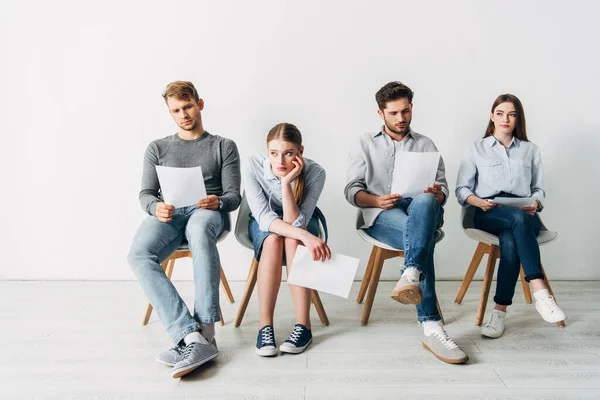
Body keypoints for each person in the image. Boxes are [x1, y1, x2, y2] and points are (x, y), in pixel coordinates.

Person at [345, 81, 469, 364]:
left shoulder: (426, 144)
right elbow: (351, 190)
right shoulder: (364, 143)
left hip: (423, 209)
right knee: (421, 240)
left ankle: (411, 274)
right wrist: (376, 201)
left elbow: (444, 191)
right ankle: (432, 327)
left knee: (424, 204)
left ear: (412, 108)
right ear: (381, 114)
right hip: (383, 215)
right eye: (394, 113)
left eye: (406, 111)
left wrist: (437, 194)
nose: (401, 119)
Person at [127, 81, 241, 378]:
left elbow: (233, 196)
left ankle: (207, 330)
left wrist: (218, 201)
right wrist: (155, 207)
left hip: (207, 211)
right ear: (170, 112)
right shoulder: (158, 148)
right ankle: (190, 337)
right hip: (171, 212)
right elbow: (146, 194)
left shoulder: (223, 146)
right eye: (176, 110)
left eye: (188, 106)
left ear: (199, 104)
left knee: (201, 231)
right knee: (139, 255)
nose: (184, 114)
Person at [455, 93, 566, 338]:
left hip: (523, 214)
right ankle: (539, 290)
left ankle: (499, 312)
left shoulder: (530, 150)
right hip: (488, 213)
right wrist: (478, 201)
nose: (506, 119)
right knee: (516, 221)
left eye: (512, 114)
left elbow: (539, 189)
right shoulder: (476, 148)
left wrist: (536, 202)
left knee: (510, 238)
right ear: (492, 117)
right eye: (501, 113)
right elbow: (462, 189)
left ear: (518, 119)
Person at [244, 122, 331, 357]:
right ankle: (265, 327)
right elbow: (264, 219)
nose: (280, 161)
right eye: (273, 153)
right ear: (267, 151)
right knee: (273, 240)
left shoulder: (315, 172)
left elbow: (296, 222)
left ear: (300, 152)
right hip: (267, 223)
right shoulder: (252, 166)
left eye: (288, 153)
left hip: (300, 220)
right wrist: (305, 235)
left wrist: (285, 183)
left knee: (292, 240)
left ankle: (304, 326)